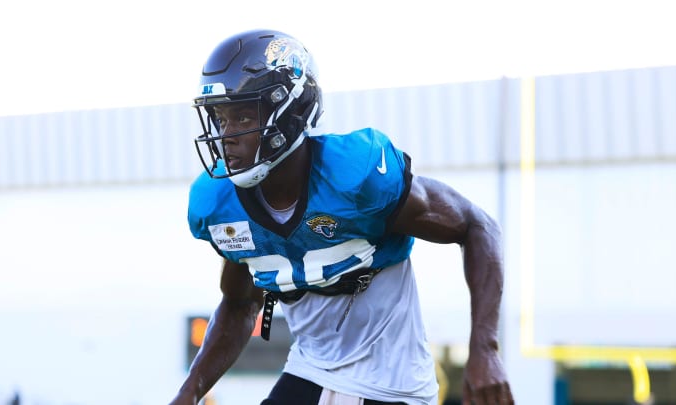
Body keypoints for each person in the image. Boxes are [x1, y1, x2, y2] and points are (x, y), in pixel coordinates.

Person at [169, 29, 514, 405]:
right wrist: (189, 393)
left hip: (391, 387)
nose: (225, 136)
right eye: (220, 118)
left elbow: (478, 227)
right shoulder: (220, 205)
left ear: (290, 111)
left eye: (241, 117)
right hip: (308, 371)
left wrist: (485, 348)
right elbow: (239, 304)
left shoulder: (356, 178)